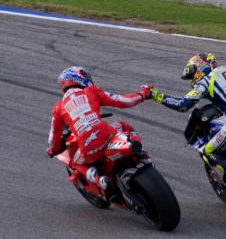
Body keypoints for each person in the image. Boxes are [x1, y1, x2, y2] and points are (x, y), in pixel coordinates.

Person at [147, 53, 226, 192]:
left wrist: (156, 96)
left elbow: (184, 104)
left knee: (208, 150)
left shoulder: (206, 81)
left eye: (192, 74)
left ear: (200, 67)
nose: (192, 79)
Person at [47, 66, 152, 195]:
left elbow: (54, 137)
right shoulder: (91, 91)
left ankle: (97, 178)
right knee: (122, 125)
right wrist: (142, 94)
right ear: (80, 78)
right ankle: (143, 156)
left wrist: (52, 150)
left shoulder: (58, 108)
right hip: (107, 134)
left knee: (74, 163)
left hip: (88, 147)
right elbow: (124, 101)